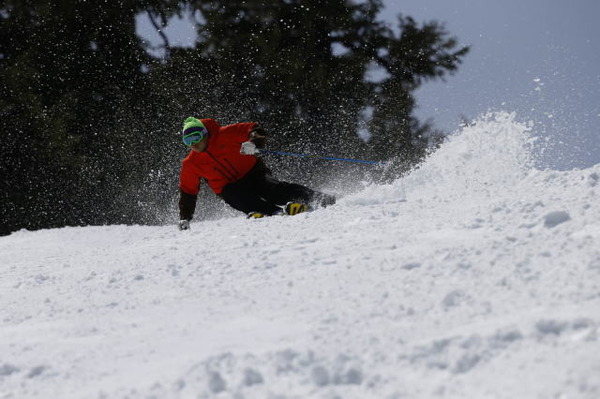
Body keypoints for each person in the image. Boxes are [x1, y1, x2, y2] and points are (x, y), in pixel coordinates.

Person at [177, 117, 335, 230]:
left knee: (272, 189)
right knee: (237, 197)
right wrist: (185, 217)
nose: (194, 144)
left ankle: (318, 198)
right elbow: (188, 192)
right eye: (188, 141)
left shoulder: (225, 134)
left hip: (253, 172)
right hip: (230, 188)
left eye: (196, 137)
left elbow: (253, 129)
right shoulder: (191, 163)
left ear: (205, 134)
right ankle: (272, 212)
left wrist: (253, 142)